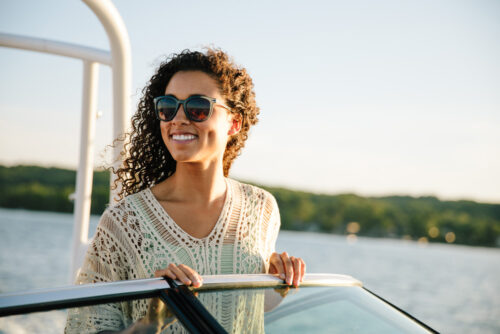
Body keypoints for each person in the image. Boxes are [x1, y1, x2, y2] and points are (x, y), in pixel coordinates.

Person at [65, 48, 305, 333]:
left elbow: (242, 309)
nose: (178, 118)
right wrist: (151, 322)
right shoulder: (123, 222)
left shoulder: (262, 208)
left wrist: (278, 282)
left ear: (234, 122)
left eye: (198, 107)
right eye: (168, 106)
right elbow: (86, 329)